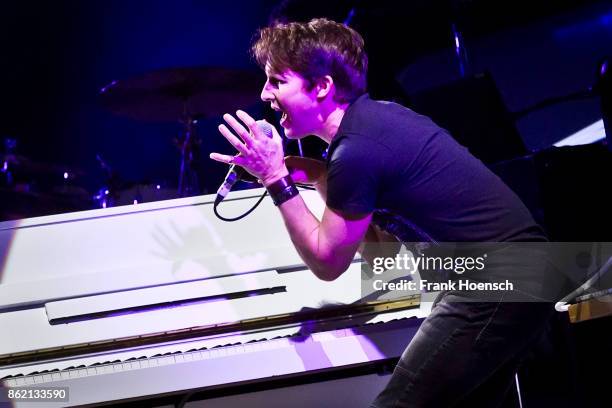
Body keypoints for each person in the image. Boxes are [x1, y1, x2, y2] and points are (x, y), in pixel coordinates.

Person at [210, 18, 556, 408]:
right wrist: (319, 175)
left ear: (322, 87)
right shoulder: (369, 128)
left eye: (277, 81)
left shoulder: (357, 149)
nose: (264, 93)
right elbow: (381, 256)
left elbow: (327, 262)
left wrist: (276, 178)